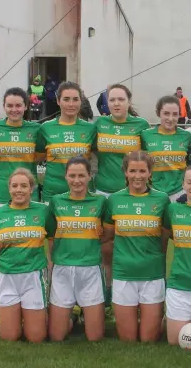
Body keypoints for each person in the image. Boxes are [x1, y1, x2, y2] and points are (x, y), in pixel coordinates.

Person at [103, 151, 170, 342]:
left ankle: (170, 319)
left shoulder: (162, 200)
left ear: (150, 173)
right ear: (125, 172)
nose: (137, 176)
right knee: (128, 339)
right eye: (132, 171)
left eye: (142, 171)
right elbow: (107, 236)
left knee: (149, 339)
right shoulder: (114, 200)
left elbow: (164, 239)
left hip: (153, 274)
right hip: (124, 274)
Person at [94, 83, 150, 309]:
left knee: (136, 246)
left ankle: (142, 298)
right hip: (105, 192)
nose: (116, 103)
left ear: (129, 101)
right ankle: (108, 297)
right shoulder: (99, 124)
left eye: (120, 99)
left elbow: (148, 159)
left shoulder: (141, 125)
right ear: (106, 104)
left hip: (133, 194)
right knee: (106, 248)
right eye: (112, 99)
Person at [0, 168, 51, 342]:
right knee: (9, 336)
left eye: (24, 186)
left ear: (32, 189)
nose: (19, 190)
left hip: (34, 276)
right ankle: (19, 316)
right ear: (9, 189)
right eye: (14, 186)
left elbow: (53, 243)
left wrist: (51, 274)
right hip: (7, 277)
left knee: (36, 337)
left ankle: (62, 318)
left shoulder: (43, 211)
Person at [47, 156, 106, 341]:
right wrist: (51, 262)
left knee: (95, 337)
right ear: (65, 177)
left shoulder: (101, 202)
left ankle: (84, 312)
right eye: (72, 175)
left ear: (90, 176)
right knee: (57, 336)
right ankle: (72, 315)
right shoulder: (56, 201)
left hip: (90, 269)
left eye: (82, 175)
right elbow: (51, 236)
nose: (77, 180)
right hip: (62, 268)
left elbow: (107, 233)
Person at [37, 81, 97, 205]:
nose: (71, 104)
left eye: (75, 99)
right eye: (66, 99)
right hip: (52, 194)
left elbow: (97, 159)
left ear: (81, 101)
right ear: (58, 101)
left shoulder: (90, 129)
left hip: (83, 194)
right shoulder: (45, 128)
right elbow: (38, 157)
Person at [0, 87, 41, 217]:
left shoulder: (36, 129)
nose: (14, 109)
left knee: (29, 235)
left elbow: (41, 156)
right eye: (9, 105)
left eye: (18, 105)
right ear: (4, 106)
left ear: (26, 106)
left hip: (29, 193)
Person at [141, 96, 191, 202]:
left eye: (175, 114)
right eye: (166, 113)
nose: (171, 118)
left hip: (179, 193)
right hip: (153, 192)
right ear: (159, 113)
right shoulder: (146, 135)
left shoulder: (186, 136)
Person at [164, 166, 191, 345]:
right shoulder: (173, 210)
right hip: (179, 285)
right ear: (183, 184)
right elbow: (164, 240)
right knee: (176, 342)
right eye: (190, 182)